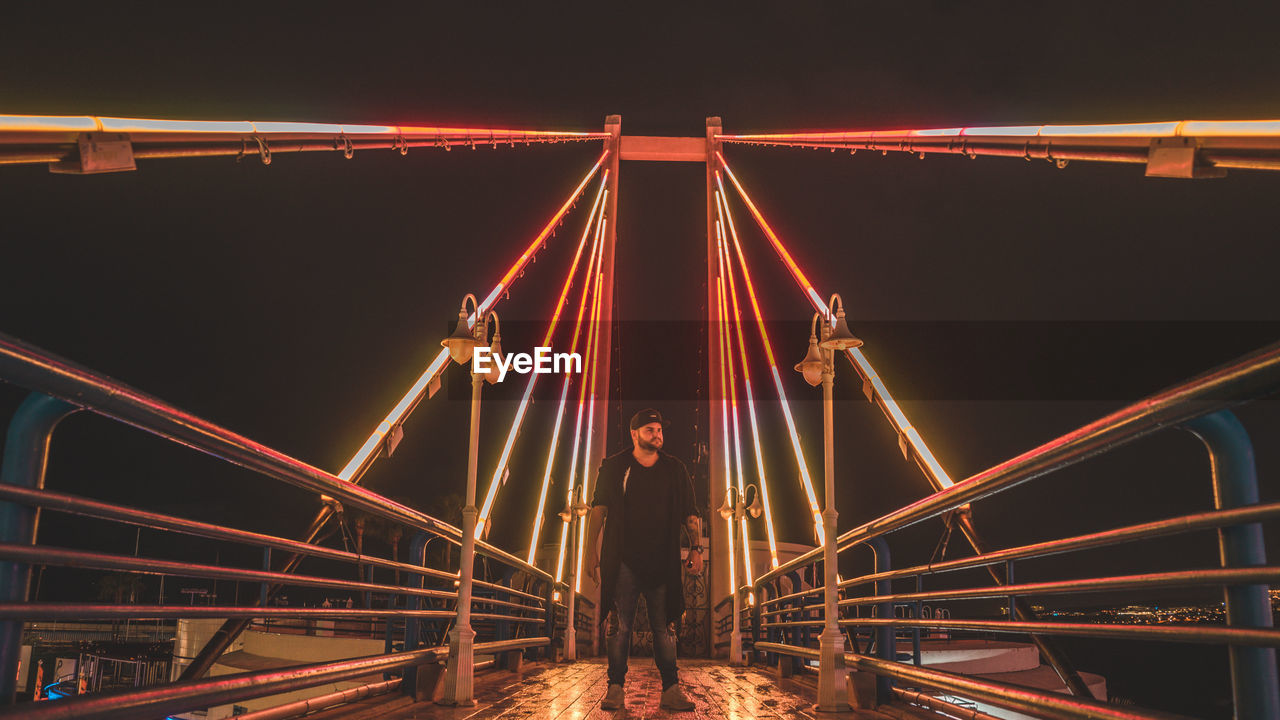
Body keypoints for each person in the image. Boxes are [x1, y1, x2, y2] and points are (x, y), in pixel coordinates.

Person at [586, 408, 702, 712]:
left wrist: (696, 549)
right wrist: (590, 551)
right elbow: (598, 510)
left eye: (660, 430)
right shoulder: (613, 467)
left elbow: (691, 512)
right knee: (619, 626)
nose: (657, 435)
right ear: (634, 434)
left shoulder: (675, 469)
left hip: (663, 560)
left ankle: (671, 689)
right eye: (650, 430)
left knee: (665, 627)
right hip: (623, 557)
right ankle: (615, 688)